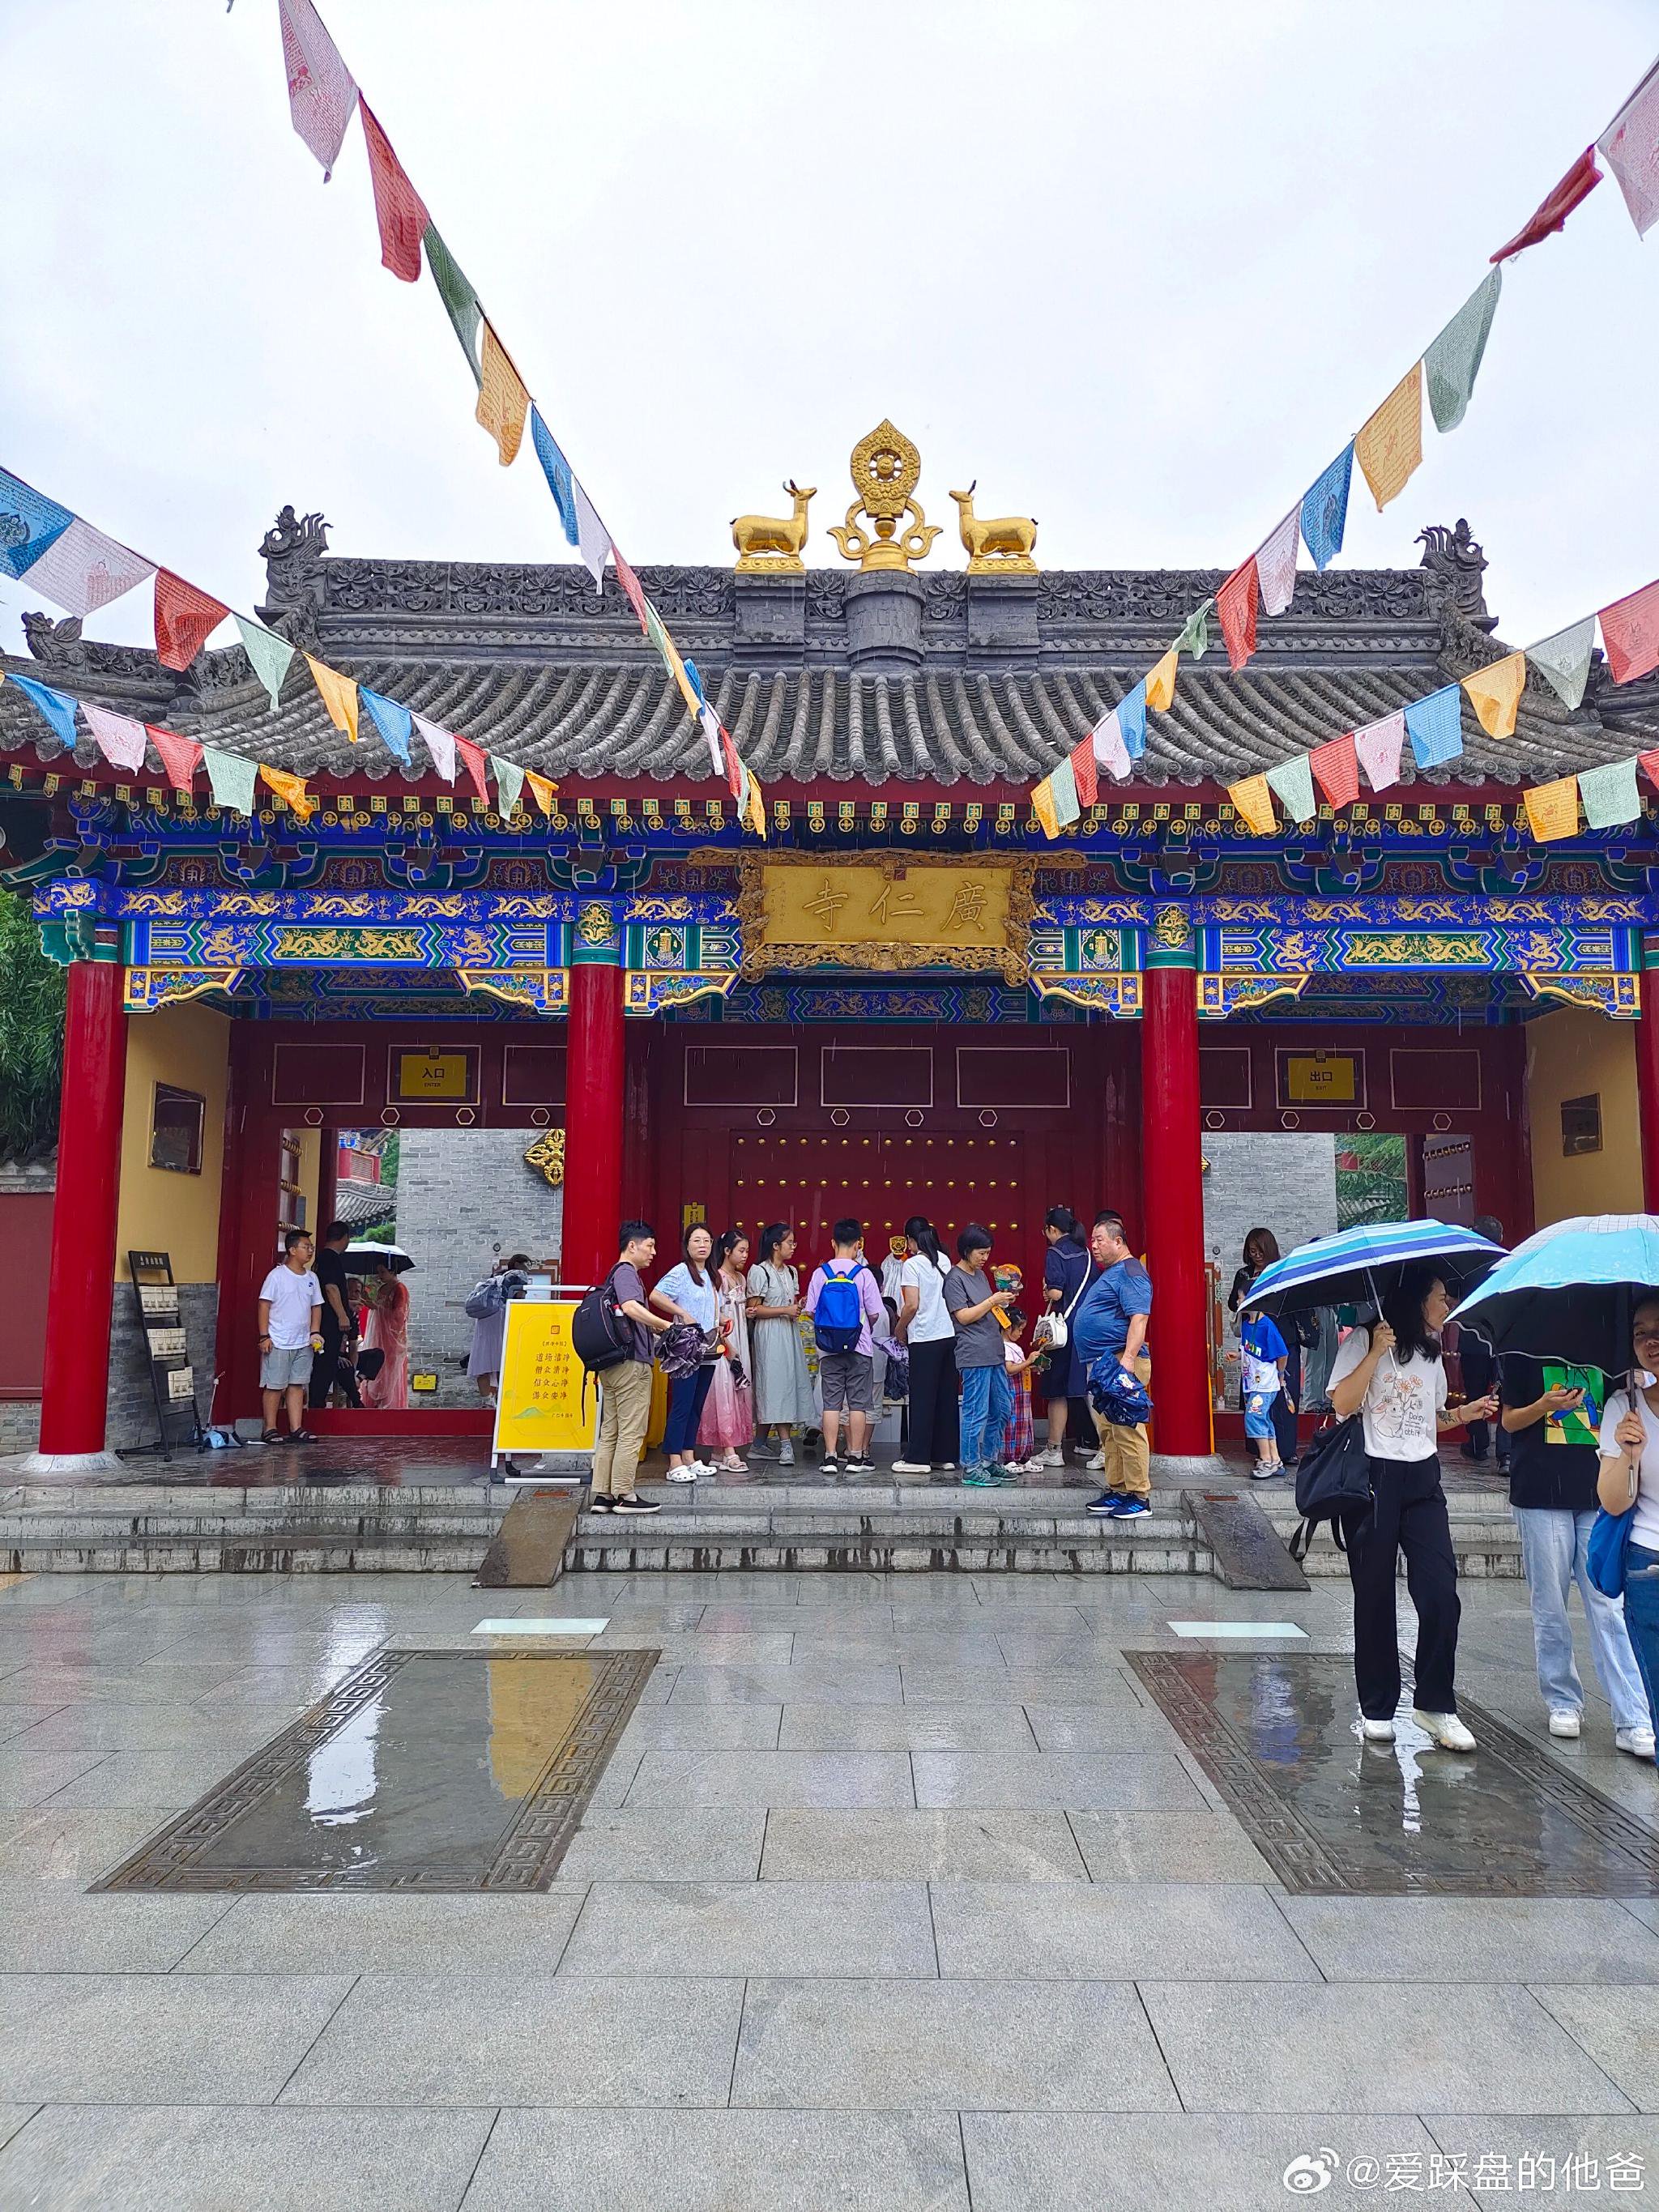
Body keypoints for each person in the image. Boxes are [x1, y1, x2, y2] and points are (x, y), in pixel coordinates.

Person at [1327, 1267, 1499, 1751]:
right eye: (1442, 1296)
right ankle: (1377, 1707)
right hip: (1374, 1481)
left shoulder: (1431, 1350)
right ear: (1417, 1299)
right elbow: (1342, 1402)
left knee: (1441, 1591)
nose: (1447, 1306)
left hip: (1423, 1481)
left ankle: (1435, 1704)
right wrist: (1376, 1353)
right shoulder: (1364, 1340)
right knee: (1375, 1597)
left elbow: (1430, 1419)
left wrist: (1465, 1414)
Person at [1503, 1349, 1652, 1756]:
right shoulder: (1523, 1352)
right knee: (1550, 1605)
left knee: (1609, 1606)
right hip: (1539, 1491)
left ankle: (1634, 1715)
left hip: (1599, 1494)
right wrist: (1543, 1406)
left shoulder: (1612, 1350)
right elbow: (1510, 1419)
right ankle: (1563, 1700)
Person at [1597, 1296, 1659, 1760]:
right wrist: (1627, 1455)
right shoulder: (1625, 1408)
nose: (1650, 1341)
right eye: (1640, 1332)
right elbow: (1613, 1500)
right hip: (1648, 1566)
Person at [1075, 1213, 1154, 1519]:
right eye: (1092, 1240)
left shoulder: (1131, 1272)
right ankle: (1118, 1488)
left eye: (1099, 1240)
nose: (1093, 1246)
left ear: (1118, 1241)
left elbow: (1139, 1317)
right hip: (1105, 1362)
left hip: (1121, 1360)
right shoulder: (1114, 1272)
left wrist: (1129, 1359)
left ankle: (1139, 1495)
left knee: (1128, 1429)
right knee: (1109, 1430)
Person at [590, 1220, 670, 1515]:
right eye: (649, 1246)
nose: (653, 1252)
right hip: (630, 1363)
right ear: (632, 1246)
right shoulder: (626, 1273)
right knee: (631, 1431)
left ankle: (603, 1495)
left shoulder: (613, 1274)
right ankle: (625, 1493)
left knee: (610, 1430)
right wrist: (664, 1324)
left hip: (611, 1364)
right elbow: (633, 1308)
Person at [804, 1217, 886, 1477]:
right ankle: (855, 1456)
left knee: (831, 1404)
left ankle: (829, 1457)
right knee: (858, 1405)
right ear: (858, 1244)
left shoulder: (820, 1274)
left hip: (829, 1349)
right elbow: (876, 1313)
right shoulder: (864, 1275)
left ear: (832, 1242)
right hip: (859, 1347)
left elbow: (810, 1311)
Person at [945, 1224, 1016, 1486]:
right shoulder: (954, 1279)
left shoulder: (980, 1275)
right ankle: (971, 1466)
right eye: (982, 1253)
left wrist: (1001, 1304)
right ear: (967, 1250)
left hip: (993, 1350)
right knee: (976, 1412)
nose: (985, 1258)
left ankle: (989, 1460)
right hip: (974, 1353)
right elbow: (963, 1316)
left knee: (1002, 1408)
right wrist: (991, 1302)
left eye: (988, 1253)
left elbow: (987, 1309)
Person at [1229, 1227, 1303, 1471]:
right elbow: (1233, 1301)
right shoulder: (1244, 1274)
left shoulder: (1281, 1270)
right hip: (1254, 1346)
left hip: (1280, 1336)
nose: (1256, 1256)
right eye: (1252, 1252)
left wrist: (1281, 1374)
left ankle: (1282, 1453)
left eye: (1260, 1251)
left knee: (1281, 1399)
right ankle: (1264, 1453)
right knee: (1256, 1402)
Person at [650, 1224, 721, 1482]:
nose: (702, 1245)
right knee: (681, 1404)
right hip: (685, 1348)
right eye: (696, 1240)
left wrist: (722, 1318)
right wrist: (681, 1313)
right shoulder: (680, 1272)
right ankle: (674, 1461)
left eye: (706, 1240)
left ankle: (689, 1456)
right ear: (687, 1245)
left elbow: (712, 1307)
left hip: (708, 1347)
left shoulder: (713, 1275)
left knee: (696, 1405)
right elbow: (656, 1296)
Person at [893, 1215, 957, 1477]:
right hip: (948, 1336)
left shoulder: (912, 1264)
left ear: (910, 1239)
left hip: (924, 1337)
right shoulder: (944, 1260)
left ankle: (918, 1457)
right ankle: (945, 1456)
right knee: (945, 1398)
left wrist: (899, 1328)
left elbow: (911, 1305)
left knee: (921, 1397)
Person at [745, 1223, 816, 1465]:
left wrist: (797, 1306)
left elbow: (790, 1302)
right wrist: (786, 1309)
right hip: (769, 1334)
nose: (793, 1247)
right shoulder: (759, 1271)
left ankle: (758, 1444)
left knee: (783, 1384)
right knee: (775, 1385)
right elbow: (754, 1310)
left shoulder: (792, 1272)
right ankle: (786, 1444)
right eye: (789, 1243)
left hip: (789, 1332)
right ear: (775, 1246)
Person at [1038, 1205, 1094, 1469]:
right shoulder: (1087, 1253)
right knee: (1090, 1390)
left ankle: (1054, 1450)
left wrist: (1047, 1290)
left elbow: (1057, 1294)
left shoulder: (1055, 1251)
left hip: (1063, 1330)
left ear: (1052, 1229)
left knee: (1057, 1391)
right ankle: (1106, 1447)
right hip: (1088, 1328)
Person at [258, 1228, 322, 1445]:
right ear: (292, 1250)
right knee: (275, 1385)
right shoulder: (277, 1276)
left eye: (311, 1247)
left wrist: (315, 1332)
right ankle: (270, 1428)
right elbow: (264, 1305)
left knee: (297, 1384)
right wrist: (264, 1335)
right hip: (278, 1339)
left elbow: (316, 1308)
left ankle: (296, 1428)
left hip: (303, 1341)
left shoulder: (312, 1278)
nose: (310, 1250)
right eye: (306, 1247)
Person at [700, 1229, 756, 1474]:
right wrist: (726, 1344)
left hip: (740, 1338)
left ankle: (717, 1453)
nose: (745, 1255)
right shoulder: (717, 1278)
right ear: (726, 1251)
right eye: (741, 1250)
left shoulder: (742, 1279)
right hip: (724, 1342)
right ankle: (729, 1452)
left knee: (737, 1390)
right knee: (723, 1393)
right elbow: (714, 1316)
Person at [1459, 1213, 1508, 1468]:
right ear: (1500, 1237)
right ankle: (1506, 1454)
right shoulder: (1510, 1264)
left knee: (1475, 1393)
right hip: (1504, 1342)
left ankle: (1478, 1446)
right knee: (1506, 1395)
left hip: (1473, 1340)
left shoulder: (1466, 1266)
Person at [466, 1251, 531, 1406]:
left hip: (485, 1322)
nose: (528, 1268)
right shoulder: (518, 1276)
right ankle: (503, 1399)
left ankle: (486, 1400)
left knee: (483, 1361)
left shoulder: (494, 1278)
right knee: (504, 1361)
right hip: (501, 1321)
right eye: (526, 1264)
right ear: (517, 1264)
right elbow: (519, 1298)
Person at [309, 1221, 360, 1411]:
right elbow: (331, 1288)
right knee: (325, 1365)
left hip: (325, 1319)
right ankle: (317, 1405)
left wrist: (348, 1305)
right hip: (329, 1323)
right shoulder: (331, 1258)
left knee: (325, 1364)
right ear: (344, 1237)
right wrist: (342, 1315)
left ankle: (317, 1403)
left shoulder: (322, 1258)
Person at [1240, 1303, 1290, 1480]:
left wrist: (1281, 1374)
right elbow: (1250, 1351)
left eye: (1241, 1298)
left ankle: (1266, 1460)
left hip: (1266, 1384)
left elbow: (1282, 1354)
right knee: (1264, 1419)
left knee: (1254, 1416)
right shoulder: (1246, 1324)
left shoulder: (1267, 1325)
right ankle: (1275, 1459)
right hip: (1251, 1382)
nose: (1239, 1303)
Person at [1001, 1306, 1048, 1474]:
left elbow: (1019, 1367)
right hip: (1013, 1392)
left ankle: (1024, 1457)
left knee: (1025, 1423)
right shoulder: (1005, 1347)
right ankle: (1009, 1458)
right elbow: (1009, 1369)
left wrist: (1033, 1366)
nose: (1021, 1334)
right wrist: (1028, 1362)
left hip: (1024, 1393)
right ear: (1007, 1328)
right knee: (1012, 1424)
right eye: (1019, 1329)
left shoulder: (1016, 1347)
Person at [359, 1256, 410, 1409]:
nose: (380, 1276)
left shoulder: (400, 1289)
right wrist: (369, 1302)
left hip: (392, 1339)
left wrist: (377, 1308)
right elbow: (378, 1308)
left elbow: (399, 1316)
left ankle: (390, 1405)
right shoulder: (382, 1288)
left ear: (392, 1270)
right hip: (379, 1335)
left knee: (390, 1369)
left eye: (382, 1272)